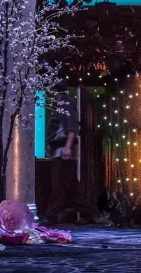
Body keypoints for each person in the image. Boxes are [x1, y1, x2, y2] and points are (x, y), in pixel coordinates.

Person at [45, 89, 80, 224]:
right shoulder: (60, 105)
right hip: (58, 148)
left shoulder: (66, 104)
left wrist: (68, 147)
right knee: (70, 185)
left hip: (62, 150)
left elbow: (72, 128)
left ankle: (52, 213)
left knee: (59, 182)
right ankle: (88, 212)